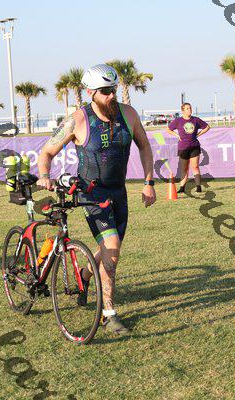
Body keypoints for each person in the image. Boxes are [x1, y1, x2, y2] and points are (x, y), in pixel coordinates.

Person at [37, 64, 156, 334]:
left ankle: (85, 274)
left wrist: (149, 183)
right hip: (91, 194)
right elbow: (46, 153)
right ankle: (108, 313)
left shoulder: (128, 114)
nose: (111, 95)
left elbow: (145, 146)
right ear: (90, 92)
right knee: (112, 249)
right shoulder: (77, 120)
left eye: (113, 89)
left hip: (119, 193)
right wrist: (44, 175)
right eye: (105, 91)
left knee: (111, 249)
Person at [165, 103, 210, 193]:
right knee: (184, 169)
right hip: (183, 147)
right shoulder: (178, 121)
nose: (189, 110)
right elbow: (168, 129)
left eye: (190, 108)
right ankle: (182, 188)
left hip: (194, 146)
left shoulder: (196, 120)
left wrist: (198, 134)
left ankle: (198, 187)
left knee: (195, 166)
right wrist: (177, 135)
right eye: (187, 108)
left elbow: (207, 127)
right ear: (183, 111)